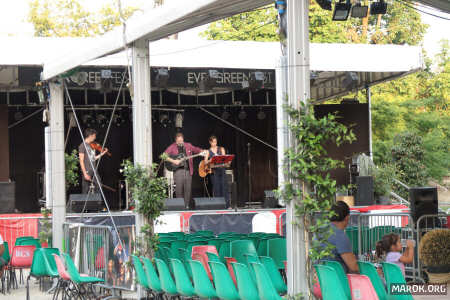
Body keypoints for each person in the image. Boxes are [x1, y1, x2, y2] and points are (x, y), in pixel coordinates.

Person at [164, 132, 204, 209]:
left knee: (188, 190)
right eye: (178, 141)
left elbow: (196, 149)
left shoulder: (188, 145)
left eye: (181, 141)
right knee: (179, 190)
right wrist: (173, 161)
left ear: (183, 139)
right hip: (178, 171)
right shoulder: (172, 147)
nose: (180, 142)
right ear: (176, 141)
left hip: (188, 171)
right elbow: (163, 155)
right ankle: (180, 206)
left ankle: (186, 206)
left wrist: (203, 151)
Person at [326, 201, 359, 273]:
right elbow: (354, 267)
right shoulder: (340, 236)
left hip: (321, 280)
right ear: (347, 218)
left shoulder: (320, 230)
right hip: (339, 280)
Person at [78, 128, 108, 194]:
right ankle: (85, 203)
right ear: (90, 136)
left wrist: (103, 153)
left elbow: (93, 158)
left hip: (93, 169)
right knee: (86, 189)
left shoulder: (91, 145)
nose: (95, 138)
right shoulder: (82, 146)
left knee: (99, 185)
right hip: (87, 170)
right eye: (94, 136)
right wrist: (85, 174)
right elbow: (81, 160)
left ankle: (97, 202)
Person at [204, 135, 230, 208]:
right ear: (210, 142)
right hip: (214, 171)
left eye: (215, 142)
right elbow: (205, 162)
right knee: (216, 188)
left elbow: (225, 159)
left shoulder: (221, 149)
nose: (214, 143)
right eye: (213, 142)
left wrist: (225, 160)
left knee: (224, 187)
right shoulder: (208, 151)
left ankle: (227, 205)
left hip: (221, 170)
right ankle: (218, 205)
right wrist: (211, 160)